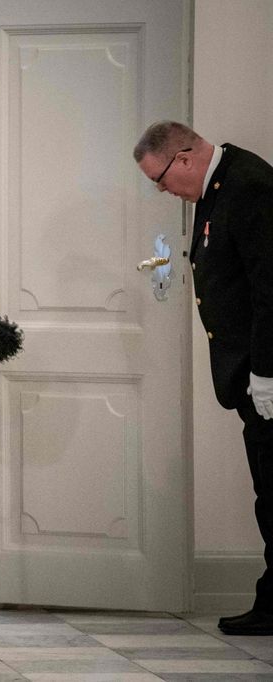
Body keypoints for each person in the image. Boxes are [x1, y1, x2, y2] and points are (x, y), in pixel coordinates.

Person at [134, 121, 273, 636]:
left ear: (186, 158)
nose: (163, 190)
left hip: (265, 374)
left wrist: (266, 371)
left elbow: (269, 286)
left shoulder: (250, 186)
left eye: (162, 179)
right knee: (268, 489)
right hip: (249, 375)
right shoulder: (221, 185)